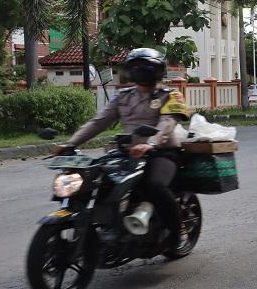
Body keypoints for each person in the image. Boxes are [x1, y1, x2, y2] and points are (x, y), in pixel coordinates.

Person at [51, 48, 189, 248]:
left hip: (162, 153)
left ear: (158, 70)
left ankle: (178, 231)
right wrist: (70, 143)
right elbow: (98, 122)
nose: (141, 70)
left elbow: (167, 124)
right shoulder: (122, 97)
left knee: (154, 186)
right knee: (95, 180)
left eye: (147, 66)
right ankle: (109, 226)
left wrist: (150, 143)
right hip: (127, 153)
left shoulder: (171, 95)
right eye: (136, 66)